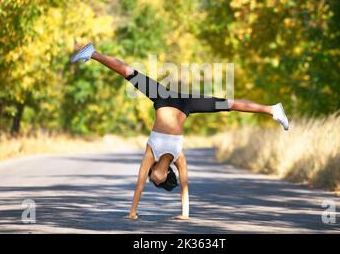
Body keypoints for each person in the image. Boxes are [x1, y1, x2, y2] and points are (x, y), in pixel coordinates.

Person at [71, 43, 289, 220]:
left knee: (128, 73)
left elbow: (139, 184)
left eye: (152, 180)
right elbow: (185, 187)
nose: (152, 179)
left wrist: (132, 211)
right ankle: (272, 109)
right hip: (186, 105)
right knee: (228, 104)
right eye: (157, 181)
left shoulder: (151, 154)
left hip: (162, 97)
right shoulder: (178, 157)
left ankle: (93, 53)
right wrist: (185, 214)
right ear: (166, 176)